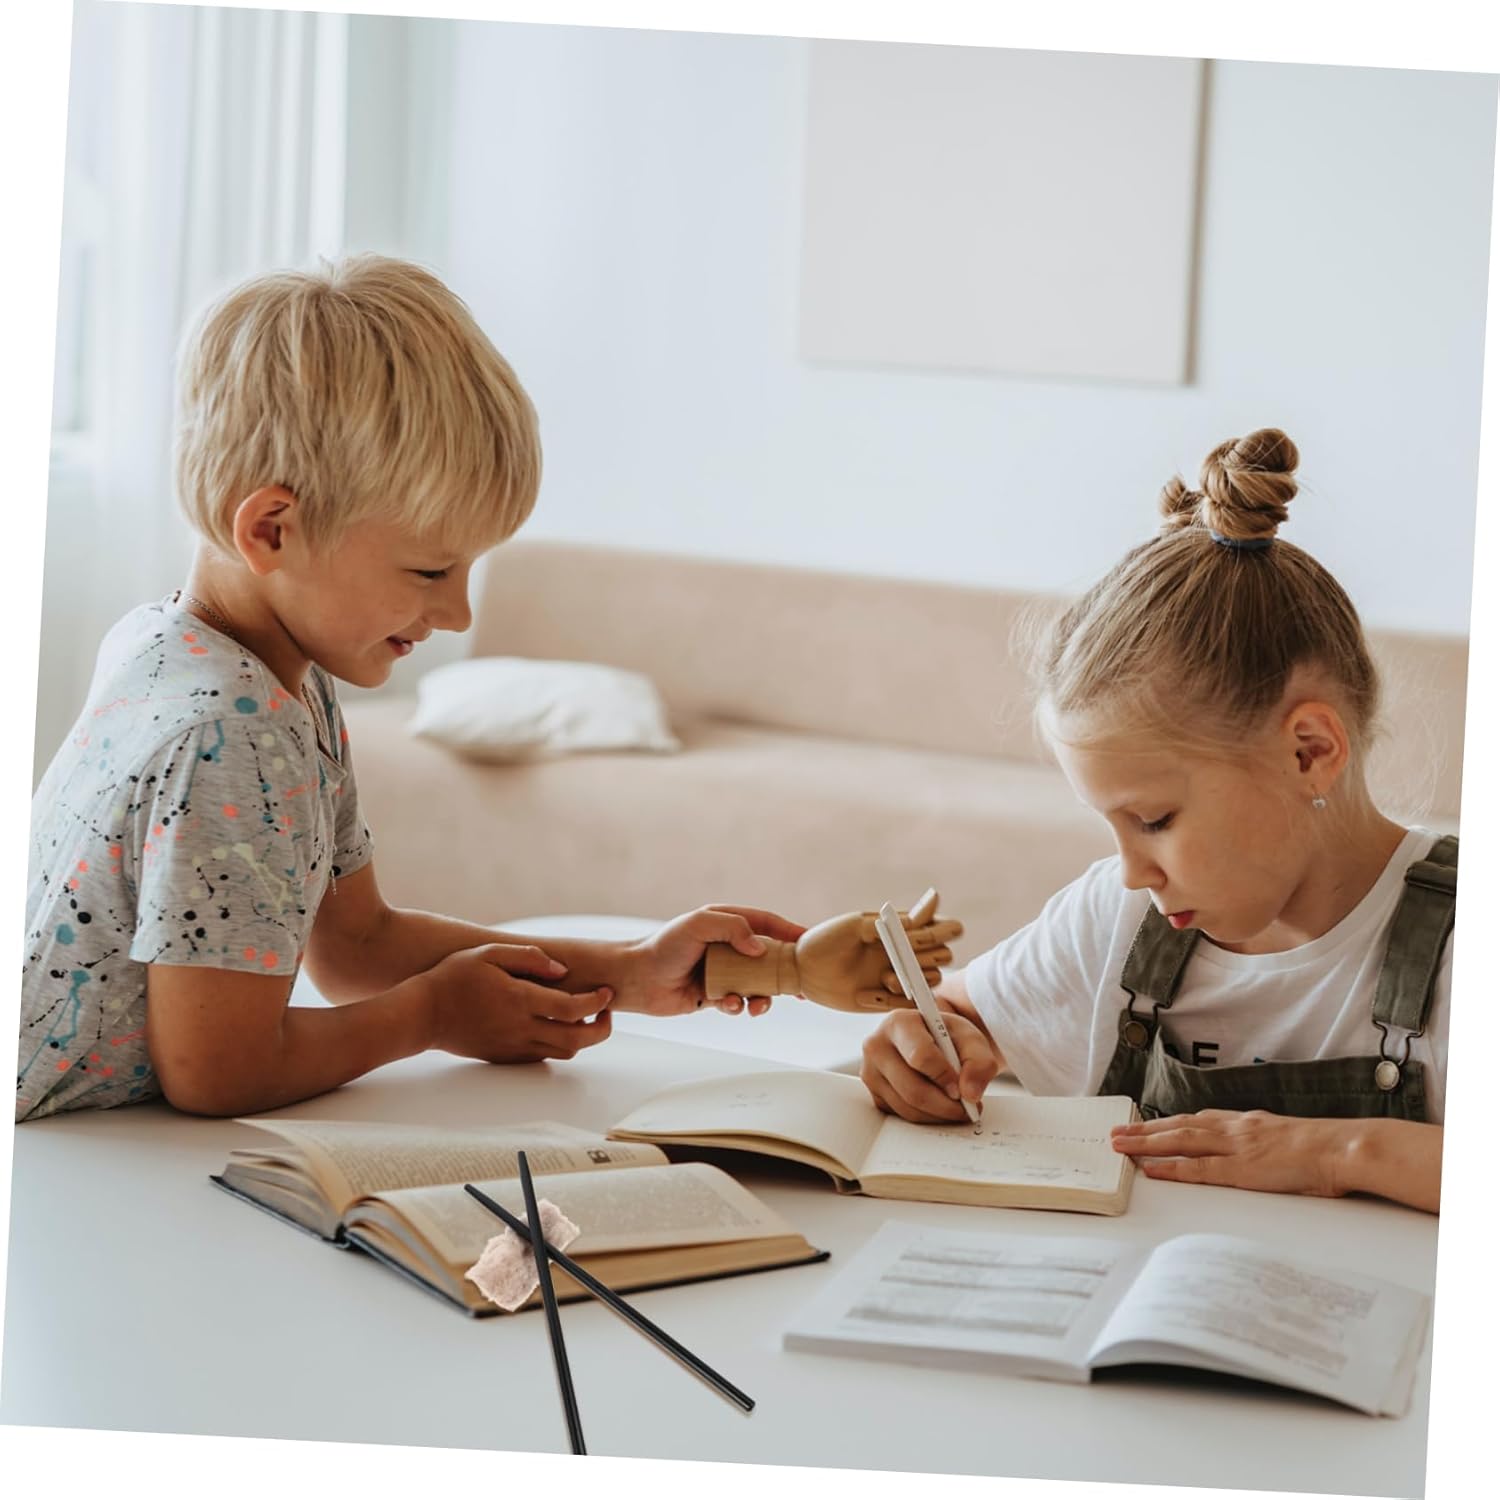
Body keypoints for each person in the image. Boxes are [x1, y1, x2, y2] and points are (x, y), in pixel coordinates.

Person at [17, 255, 801, 1122]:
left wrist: (631, 969)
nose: (459, 614)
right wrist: (429, 1016)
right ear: (272, 529)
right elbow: (219, 1071)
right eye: (430, 570)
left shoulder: (209, 657)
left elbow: (357, 944)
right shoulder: (230, 732)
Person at [859, 429, 1451, 1214]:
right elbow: (962, 1012)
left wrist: (1340, 1151)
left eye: (1154, 819)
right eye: (1110, 825)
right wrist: (927, 1043)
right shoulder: (1117, 918)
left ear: (1309, 752)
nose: (1133, 870)